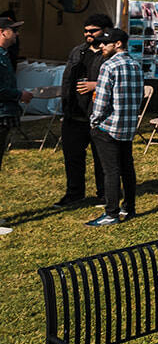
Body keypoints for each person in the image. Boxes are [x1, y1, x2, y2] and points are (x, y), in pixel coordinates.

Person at [54, 12, 112, 210]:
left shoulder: (109, 54)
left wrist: (95, 85)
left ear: (105, 31)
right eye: (85, 31)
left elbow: (119, 81)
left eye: (93, 31)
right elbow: (67, 80)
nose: (88, 34)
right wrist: (65, 109)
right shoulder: (78, 51)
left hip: (97, 115)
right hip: (74, 114)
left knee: (101, 157)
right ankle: (74, 193)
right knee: (72, 157)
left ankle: (104, 194)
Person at [87, 27, 139, 226]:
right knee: (127, 168)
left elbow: (101, 100)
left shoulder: (108, 66)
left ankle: (111, 213)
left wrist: (94, 120)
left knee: (110, 170)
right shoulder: (135, 65)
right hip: (127, 126)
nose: (101, 46)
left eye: (104, 43)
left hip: (108, 126)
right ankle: (129, 207)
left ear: (118, 44)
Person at [0, 18, 35, 235]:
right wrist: (19, 94)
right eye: (14, 30)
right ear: (2, 32)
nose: (17, 34)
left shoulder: (4, 55)